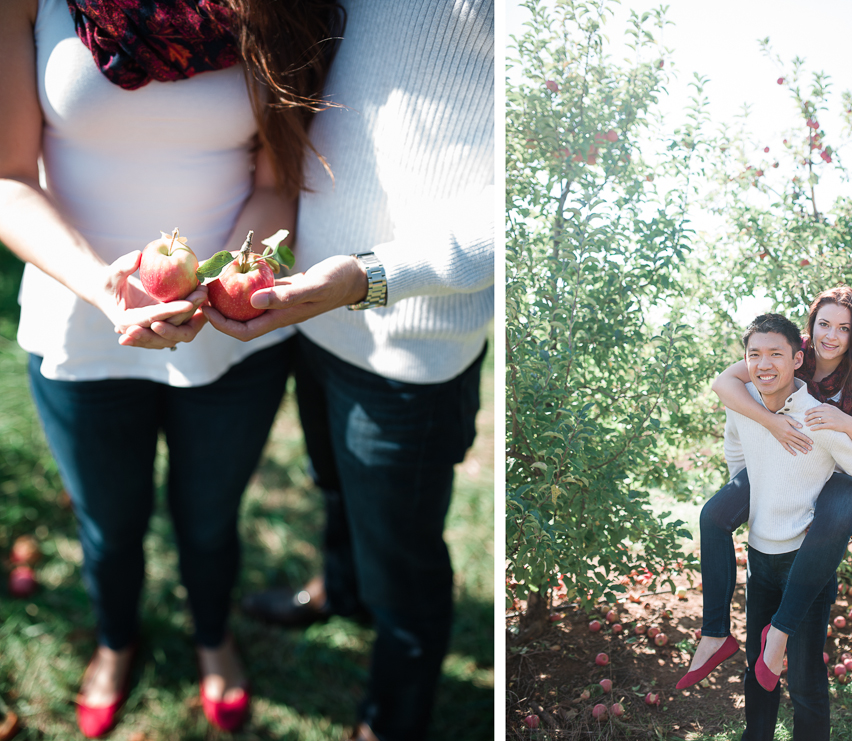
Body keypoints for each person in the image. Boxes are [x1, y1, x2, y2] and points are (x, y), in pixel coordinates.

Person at [0, 0, 340, 735]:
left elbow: (277, 182)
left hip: (229, 331)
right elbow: (6, 178)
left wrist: (231, 284)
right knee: (109, 524)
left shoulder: (275, 8)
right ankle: (116, 643)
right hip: (79, 325)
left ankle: (213, 637)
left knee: (211, 519)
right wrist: (106, 291)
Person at [197, 2, 494, 739]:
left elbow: (507, 217)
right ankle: (340, 589)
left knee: (405, 560)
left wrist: (368, 276)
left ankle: (392, 718)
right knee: (333, 482)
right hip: (311, 315)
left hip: (408, 347)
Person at [677, 287, 852, 690]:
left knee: (837, 504)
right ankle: (714, 633)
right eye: (824, 324)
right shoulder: (785, 354)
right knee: (711, 516)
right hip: (773, 464)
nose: (830, 336)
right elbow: (725, 383)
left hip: (833, 476)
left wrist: (848, 422)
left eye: (843, 329)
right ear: (810, 328)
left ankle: (778, 635)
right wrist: (770, 421)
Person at [723, 313, 852, 739]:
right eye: (755, 355)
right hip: (761, 558)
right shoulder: (753, 397)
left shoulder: (829, 408)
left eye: (844, 328)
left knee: (806, 680)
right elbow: (733, 425)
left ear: (797, 359)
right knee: (757, 671)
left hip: (808, 556)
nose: (764, 364)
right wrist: (745, 493)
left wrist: (844, 531)